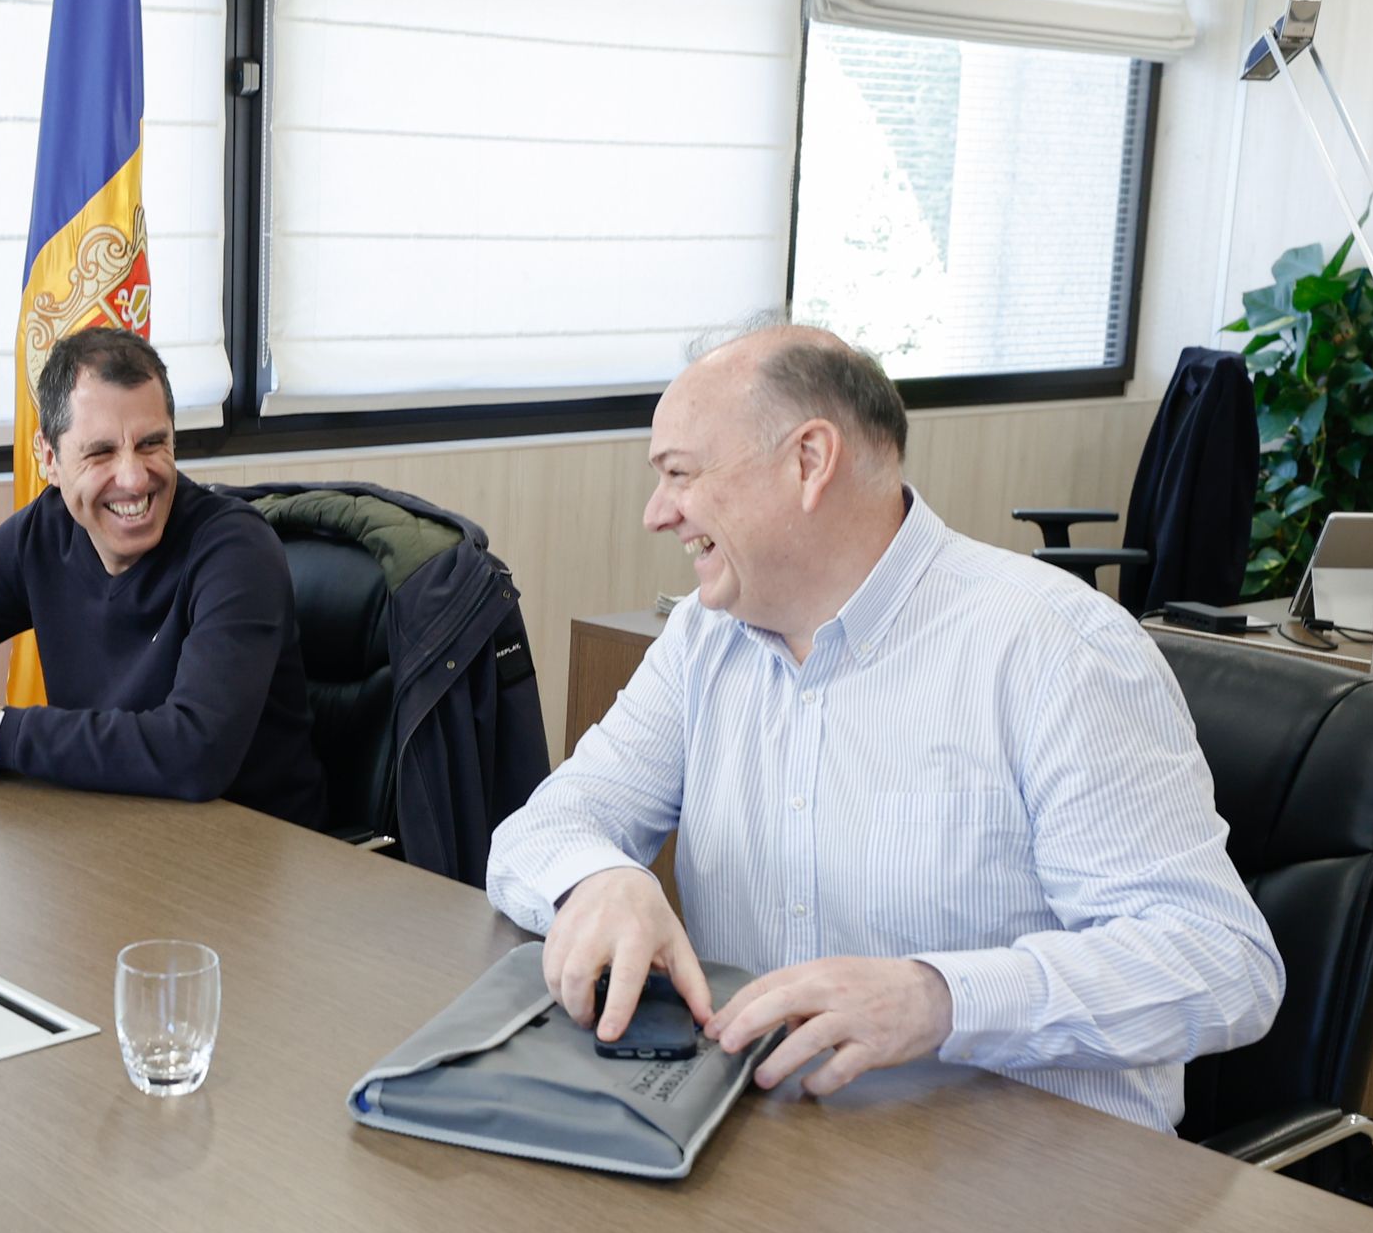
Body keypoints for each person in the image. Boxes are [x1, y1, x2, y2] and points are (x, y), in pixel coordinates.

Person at [485, 321, 1281, 1131]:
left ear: (809, 460)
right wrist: (600, 880)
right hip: (773, 1144)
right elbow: (544, 828)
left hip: (1025, 1187)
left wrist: (940, 998)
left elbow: (1220, 962)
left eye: (680, 474)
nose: (659, 513)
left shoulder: (1055, 648)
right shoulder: (704, 637)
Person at [0, 327, 327, 827]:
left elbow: (194, 753)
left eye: (151, 443)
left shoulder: (236, 549)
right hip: (111, 831)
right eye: (100, 452)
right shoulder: (42, 533)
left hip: (252, 852)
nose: (134, 477)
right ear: (49, 457)